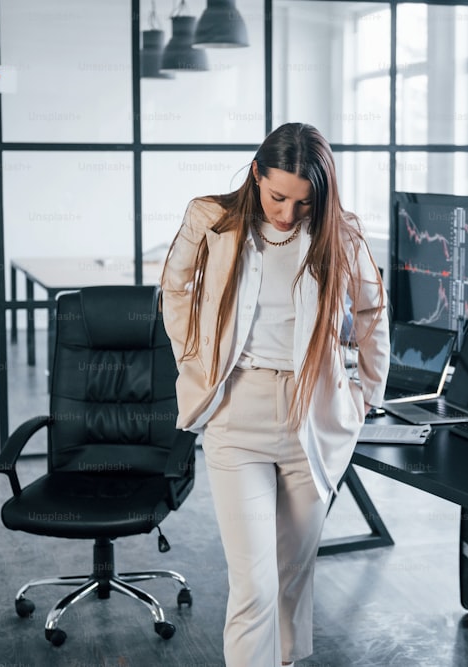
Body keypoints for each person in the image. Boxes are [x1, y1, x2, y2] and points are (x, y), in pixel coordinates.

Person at [159, 122, 390, 666]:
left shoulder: (343, 233)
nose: (287, 213)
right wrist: (193, 358)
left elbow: (371, 314)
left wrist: (366, 394)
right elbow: (174, 286)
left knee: (292, 577)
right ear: (257, 173)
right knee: (255, 585)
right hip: (239, 416)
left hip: (314, 416)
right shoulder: (210, 218)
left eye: (303, 203)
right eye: (277, 196)